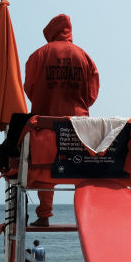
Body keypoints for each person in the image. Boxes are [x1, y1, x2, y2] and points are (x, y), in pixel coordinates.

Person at [24, 14, 100, 227]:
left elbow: (29, 88)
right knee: (80, 172)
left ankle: (45, 215)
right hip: (78, 126)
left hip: (45, 123)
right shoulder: (84, 56)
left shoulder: (38, 55)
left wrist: (44, 100)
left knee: (43, 168)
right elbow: (93, 93)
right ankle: (86, 218)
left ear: (50, 31)